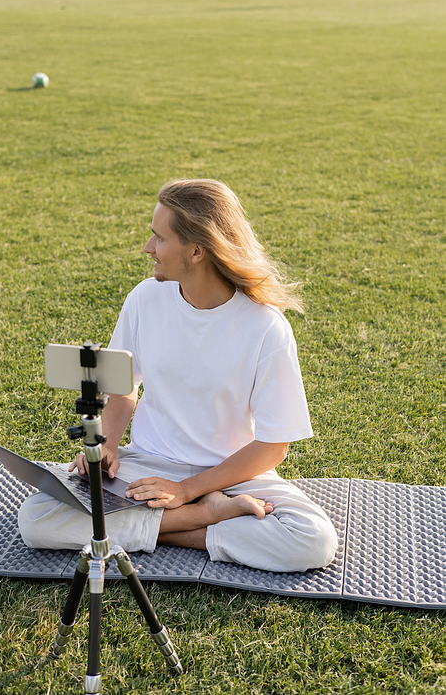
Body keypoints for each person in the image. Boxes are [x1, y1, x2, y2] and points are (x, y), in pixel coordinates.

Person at [18, 179, 338, 573]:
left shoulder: (265, 327)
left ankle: (165, 520)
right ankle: (205, 519)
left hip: (232, 473)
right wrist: (111, 448)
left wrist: (187, 490)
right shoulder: (145, 299)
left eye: (158, 238)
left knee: (312, 540)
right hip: (148, 465)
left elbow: (273, 447)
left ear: (197, 251)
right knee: (36, 517)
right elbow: (122, 387)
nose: (148, 248)